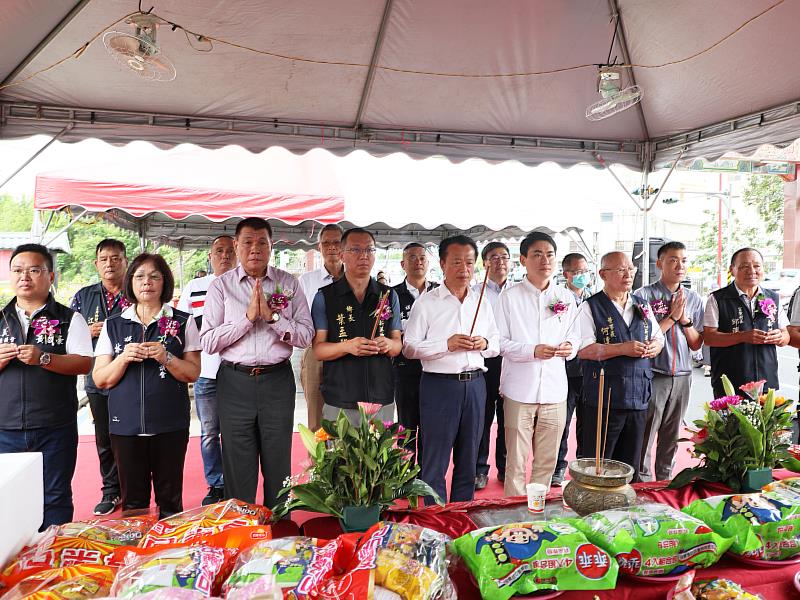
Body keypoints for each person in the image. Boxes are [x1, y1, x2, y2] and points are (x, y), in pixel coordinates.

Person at [201, 217, 313, 508]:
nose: (255, 249)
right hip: (234, 382)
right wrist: (247, 319)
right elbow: (209, 341)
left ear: (271, 246)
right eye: (247, 242)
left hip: (277, 380)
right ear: (236, 246)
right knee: (238, 462)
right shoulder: (221, 287)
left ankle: (280, 528)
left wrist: (274, 319)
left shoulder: (288, 283)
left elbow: (306, 336)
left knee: (278, 460)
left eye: (262, 242)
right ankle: (243, 529)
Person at [93, 253, 200, 518]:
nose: (147, 282)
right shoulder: (113, 324)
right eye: (140, 276)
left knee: (171, 501)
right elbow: (100, 378)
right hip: (125, 428)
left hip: (170, 426)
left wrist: (167, 356)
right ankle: (135, 556)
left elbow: (193, 373)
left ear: (165, 282)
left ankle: (170, 554)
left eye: (154, 276)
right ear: (131, 282)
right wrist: (124, 358)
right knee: (133, 504)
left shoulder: (184, 322)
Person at [0, 244, 93, 529]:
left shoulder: (68, 318)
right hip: (6, 427)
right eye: (17, 270)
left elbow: (84, 364)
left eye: (34, 270)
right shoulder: (0, 319)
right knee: (9, 496)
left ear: (51, 276)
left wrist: (45, 358)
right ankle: (16, 563)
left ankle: (53, 556)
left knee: (55, 496)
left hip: (55, 426)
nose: (24, 277)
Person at [404, 235, 500, 503]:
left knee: (469, 456)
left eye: (469, 263)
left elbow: (496, 344)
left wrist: (484, 343)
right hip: (439, 386)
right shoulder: (428, 302)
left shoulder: (481, 301)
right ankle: (435, 517)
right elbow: (409, 347)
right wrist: (446, 344)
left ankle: (462, 513)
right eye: (456, 262)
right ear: (443, 263)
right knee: (435, 456)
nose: (464, 269)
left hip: (475, 384)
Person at [496, 232, 580, 495]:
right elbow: (499, 342)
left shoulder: (565, 297)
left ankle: (538, 511)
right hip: (520, 390)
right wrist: (532, 351)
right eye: (537, 254)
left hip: (555, 391)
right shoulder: (509, 297)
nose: (545, 260)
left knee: (547, 461)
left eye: (550, 254)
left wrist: (570, 348)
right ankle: (512, 515)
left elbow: (575, 336)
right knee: (516, 460)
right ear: (523, 259)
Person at [576, 251, 663, 482]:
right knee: (599, 464)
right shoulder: (591, 307)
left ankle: (626, 511)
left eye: (631, 270)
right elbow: (583, 349)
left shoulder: (641, 304)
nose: (628, 274)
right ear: (603, 274)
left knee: (630, 465)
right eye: (621, 270)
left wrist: (654, 347)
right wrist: (622, 349)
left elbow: (658, 337)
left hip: (637, 396)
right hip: (604, 397)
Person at [312, 228, 402, 424]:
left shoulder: (388, 295)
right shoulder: (325, 297)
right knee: (340, 454)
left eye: (370, 250)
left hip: (380, 395)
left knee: (380, 454)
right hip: (341, 396)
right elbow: (318, 349)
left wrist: (387, 344)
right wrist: (347, 346)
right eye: (356, 250)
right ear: (342, 255)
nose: (364, 256)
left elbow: (397, 345)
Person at [634, 242, 704, 482]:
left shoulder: (693, 299)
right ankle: (642, 482)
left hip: (683, 374)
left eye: (684, 260)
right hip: (654, 373)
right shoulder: (644, 296)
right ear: (659, 263)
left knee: (672, 434)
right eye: (673, 259)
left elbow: (696, 344)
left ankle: (665, 480)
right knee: (646, 431)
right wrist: (671, 317)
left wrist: (684, 320)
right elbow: (643, 335)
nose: (680, 265)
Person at [70, 238, 130, 515]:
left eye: (115, 258)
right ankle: (111, 490)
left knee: (132, 436)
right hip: (97, 377)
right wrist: (87, 331)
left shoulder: (136, 290)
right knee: (104, 437)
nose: (110, 264)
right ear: (96, 264)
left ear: (125, 261)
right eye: (104, 259)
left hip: (132, 376)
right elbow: (67, 336)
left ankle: (133, 488)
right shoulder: (83, 296)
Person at [177, 235, 236, 505]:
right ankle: (216, 484)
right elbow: (180, 327)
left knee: (239, 432)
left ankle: (238, 482)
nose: (225, 256)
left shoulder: (248, 283)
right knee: (210, 432)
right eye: (219, 251)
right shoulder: (195, 287)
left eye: (230, 251)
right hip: (206, 374)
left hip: (240, 373)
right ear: (210, 257)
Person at [704, 247, 789, 398]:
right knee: (732, 422)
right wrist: (743, 336)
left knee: (765, 422)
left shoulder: (773, 298)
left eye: (757, 266)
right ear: (732, 269)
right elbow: (709, 337)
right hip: (731, 384)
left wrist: (780, 338)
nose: (752, 271)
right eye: (744, 266)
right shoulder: (717, 299)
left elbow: (785, 335)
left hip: (766, 383)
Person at [392, 242, 439, 462]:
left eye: (422, 257)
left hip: (437, 371)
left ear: (428, 262)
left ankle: (427, 474)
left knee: (432, 426)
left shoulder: (440, 292)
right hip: (405, 371)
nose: (418, 262)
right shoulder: (392, 295)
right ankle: (405, 476)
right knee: (406, 427)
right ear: (403, 264)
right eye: (412, 257)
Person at [473, 241, 512, 490]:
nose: (500, 262)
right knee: (483, 418)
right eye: (494, 257)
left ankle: (506, 467)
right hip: (485, 361)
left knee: (509, 418)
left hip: (512, 360)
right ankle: (478, 469)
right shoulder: (474, 292)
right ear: (485, 262)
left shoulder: (518, 291)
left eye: (504, 257)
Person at [298, 224, 344, 431]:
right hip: (316, 352)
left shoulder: (357, 279)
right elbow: (299, 317)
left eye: (336, 242)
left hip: (350, 353)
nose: (332, 247)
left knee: (348, 417)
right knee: (317, 417)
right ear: (319, 247)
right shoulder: (306, 281)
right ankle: (319, 462)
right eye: (326, 243)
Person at [553, 252, 593, 485]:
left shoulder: (594, 298)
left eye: (585, 272)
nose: (581, 276)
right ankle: (558, 466)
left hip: (589, 371)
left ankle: (583, 466)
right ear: (566, 274)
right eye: (577, 272)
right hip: (565, 371)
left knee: (587, 423)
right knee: (562, 422)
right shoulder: (558, 300)